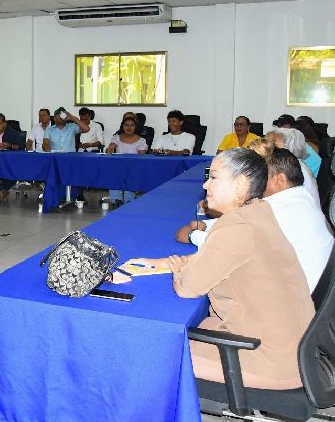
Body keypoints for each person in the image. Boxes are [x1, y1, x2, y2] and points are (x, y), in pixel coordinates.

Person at [131, 148, 314, 390]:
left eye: (214, 177)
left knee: (150, 353)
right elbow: (219, 259)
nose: (205, 185)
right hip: (295, 351)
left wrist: (178, 271)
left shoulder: (235, 227)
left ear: (240, 185)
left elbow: (187, 287)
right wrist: (168, 263)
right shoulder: (258, 212)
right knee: (197, 325)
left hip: (265, 357)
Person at [180, 146, 332, 291]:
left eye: (262, 175)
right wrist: (207, 224)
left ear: (280, 180)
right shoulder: (300, 199)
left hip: (290, 303)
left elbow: (223, 245)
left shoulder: (276, 210)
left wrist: (192, 235)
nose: (255, 180)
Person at [106, 115, 147, 204]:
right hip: (119, 166)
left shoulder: (141, 140)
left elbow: (142, 158)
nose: (129, 127)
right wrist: (110, 148)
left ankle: (129, 201)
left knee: (131, 175)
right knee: (114, 173)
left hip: (134, 167)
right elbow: (110, 148)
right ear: (122, 126)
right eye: (126, 125)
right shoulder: (117, 137)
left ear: (135, 127)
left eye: (131, 125)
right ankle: (116, 201)